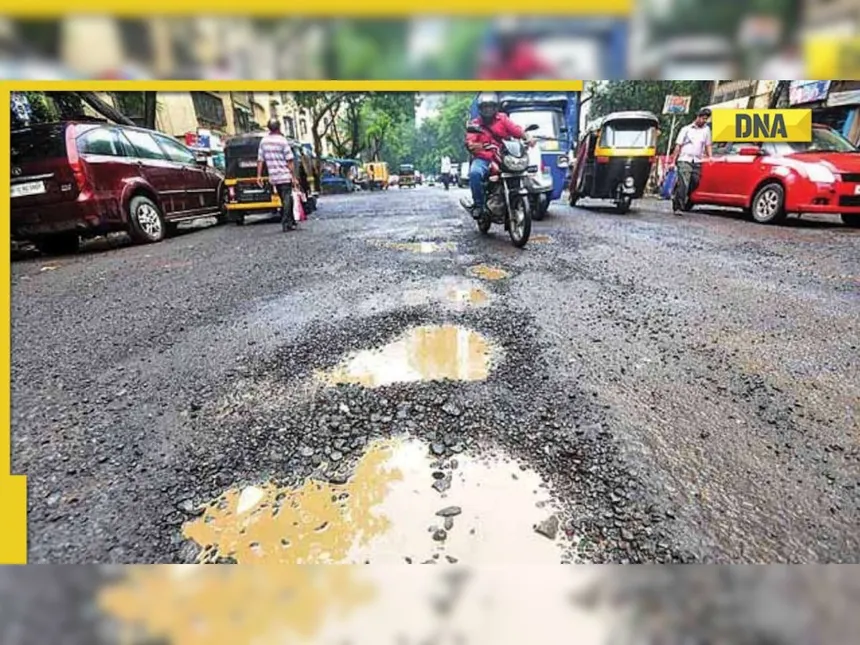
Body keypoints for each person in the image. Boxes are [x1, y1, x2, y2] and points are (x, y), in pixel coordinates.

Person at [460, 92, 535, 218]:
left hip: (503, 157)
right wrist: (476, 145)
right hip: (484, 158)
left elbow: (516, 130)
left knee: (524, 170)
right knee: (475, 173)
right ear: (480, 109)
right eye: (485, 107)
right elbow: (470, 142)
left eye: (491, 106)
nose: (488, 109)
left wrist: (527, 137)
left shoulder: (503, 119)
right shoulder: (475, 124)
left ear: (496, 107)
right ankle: (479, 206)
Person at [257, 118, 299, 231]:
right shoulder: (282, 141)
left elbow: (260, 160)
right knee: (287, 198)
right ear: (279, 128)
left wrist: (259, 176)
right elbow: (289, 160)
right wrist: (294, 177)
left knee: (284, 198)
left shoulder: (264, 141)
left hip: (274, 176)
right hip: (284, 175)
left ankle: (291, 221)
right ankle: (286, 222)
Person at [669, 107, 712, 216]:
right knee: (684, 183)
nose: (704, 121)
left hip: (697, 160)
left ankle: (678, 193)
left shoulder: (706, 131)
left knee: (695, 181)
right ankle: (678, 206)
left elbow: (708, 145)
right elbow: (678, 146)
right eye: (703, 118)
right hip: (684, 159)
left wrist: (710, 156)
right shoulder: (686, 129)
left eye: (706, 119)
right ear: (697, 117)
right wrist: (672, 161)